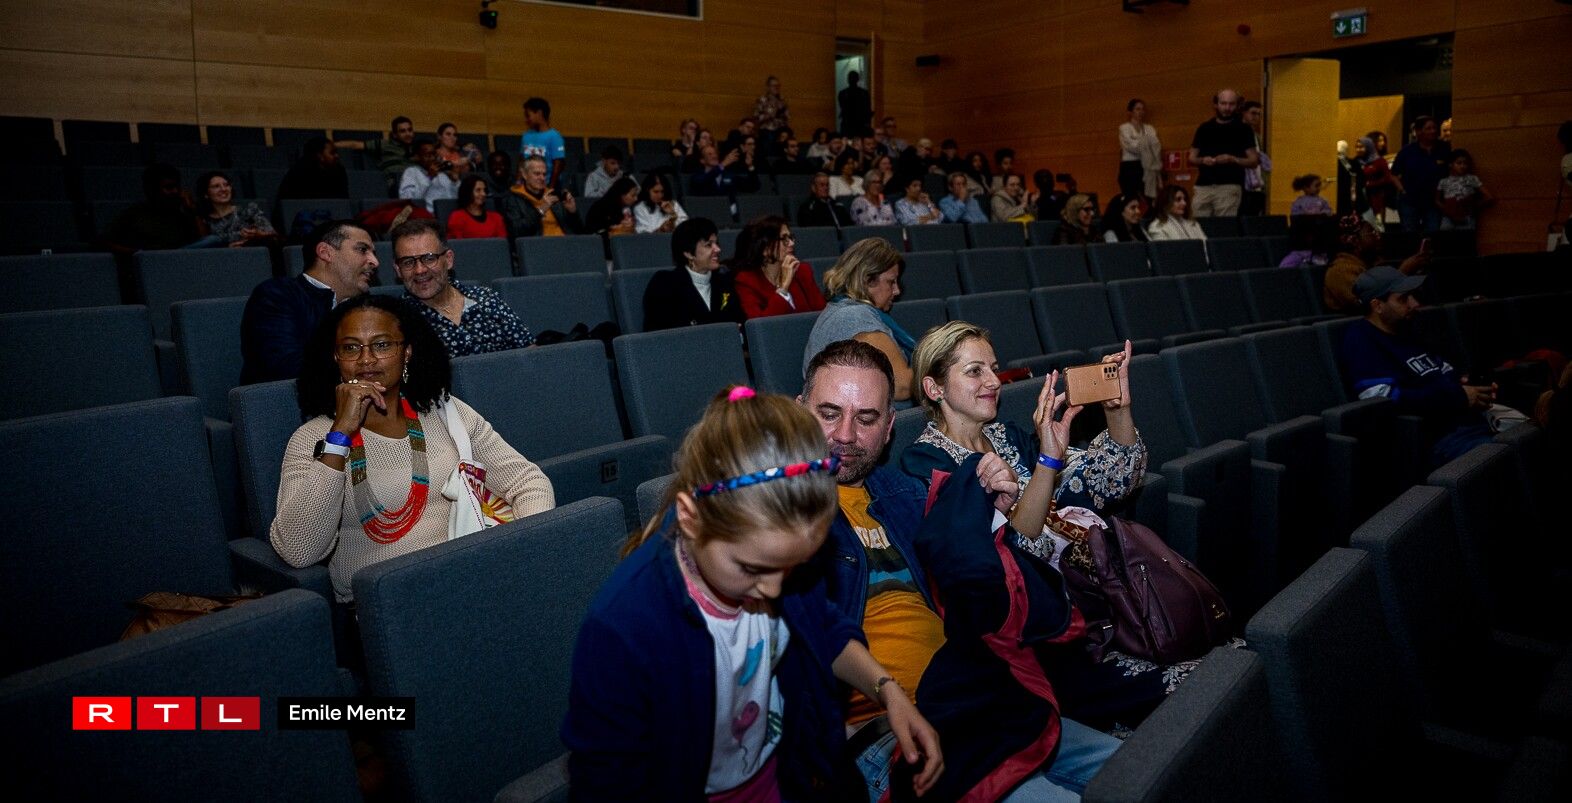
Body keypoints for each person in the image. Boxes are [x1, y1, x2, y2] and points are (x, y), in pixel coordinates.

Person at [563, 387, 942, 800]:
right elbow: (607, 782)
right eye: (751, 568)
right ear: (690, 518)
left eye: (793, 566)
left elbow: (822, 624)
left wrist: (888, 691)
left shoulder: (772, 554)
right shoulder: (625, 627)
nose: (775, 589)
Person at [799, 340, 1124, 800]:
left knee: (1143, 767)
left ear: (889, 427)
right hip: (889, 734)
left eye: (866, 418)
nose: (846, 435)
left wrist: (992, 520)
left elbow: (987, 592)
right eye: (829, 413)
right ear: (799, 411)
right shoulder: (776, 512)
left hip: (977, 699)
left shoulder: (908, 497)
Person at [269, 294, 554, 602]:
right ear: (335, 358)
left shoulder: (446, 414)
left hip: (472, 581)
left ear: (407, 352)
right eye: (351, 348)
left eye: (382, 345)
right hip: (387, 604)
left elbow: (528, 482)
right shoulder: (313, 438)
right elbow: (299, 550)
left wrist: (523, 550)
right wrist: (339, 437)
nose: (366, 360)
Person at [1338, 267, 1499, 465]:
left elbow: (1443, 370)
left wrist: (1470, 387)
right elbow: (1384, 399)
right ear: (1377, 305)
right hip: (1437, 439)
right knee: (1504, 457)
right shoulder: (1361, 341)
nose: (1414, 304)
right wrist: (1458, 396)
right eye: (1403, 299)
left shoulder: (1405, 329)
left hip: (1469, 423)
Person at [240, 220, 376, 385]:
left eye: (373, 252)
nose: (375, 261)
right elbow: (284, 368)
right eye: (362, 249)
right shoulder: (277, 295)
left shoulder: (366, 304)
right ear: (325, 252)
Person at [390, 218, 532, 357]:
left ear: (448, 259)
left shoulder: (486, 299)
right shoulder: (396, 322)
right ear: (398, 270)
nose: (419, 270)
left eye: (429, 258)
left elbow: (531, 353)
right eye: (408, 262)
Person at [802, 239, 912, 400]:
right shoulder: (855, 317)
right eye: (891, 282)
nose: (896, 291)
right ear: (867, 281)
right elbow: (902, 387)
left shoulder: (842, 309)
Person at [643, 217, 744, 331]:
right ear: (688, 253)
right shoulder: (665, 284)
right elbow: (658, 332)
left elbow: (740, 322)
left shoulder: (725, 282)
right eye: (708, 245)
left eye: (716, 243)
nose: (718, 249)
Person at [1322, 215, 1428, 314]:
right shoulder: (1340, 270)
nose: (1378, 236)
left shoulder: (1368, 264)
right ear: (1354, 241)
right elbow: (1371, 304)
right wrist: (1403, 272)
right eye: (1371, 232)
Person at [730, 216, 826, 319]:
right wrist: (783, 288)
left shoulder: (802, 271)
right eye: (784, 239)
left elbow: (822, 314)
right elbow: (760, 325)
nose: (792, 243)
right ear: (765, 248)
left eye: (791, 237)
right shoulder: (747, 281)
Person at [100, 163, 203, 254]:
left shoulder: (180, 215)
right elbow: (104, 242)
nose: (176, 191)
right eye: (169, 188)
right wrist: (138, 254)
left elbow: (202, 245)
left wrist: (192, 210)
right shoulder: (134, 214)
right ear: (152, 189)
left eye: (177, 187)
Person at [1187, 89, 1259, 217]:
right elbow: (1192, 158)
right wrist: (1202, 160)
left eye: (1231, 104)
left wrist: (1233, 159)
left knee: (1224, 225)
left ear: (1237, 106)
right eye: (1223, 103)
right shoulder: (1205, 128)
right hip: (1203, 185)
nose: (1227, 108)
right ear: (1216, 104)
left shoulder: (1243, 129)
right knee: (1199, 224)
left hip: (1229, 185)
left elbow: (1253, 161)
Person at [498, 155, 582, 239]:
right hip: (537, 245)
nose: (542, 178)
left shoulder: (553, 195)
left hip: (565, 243)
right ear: (524, 175)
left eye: (544, 174)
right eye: (537, 174)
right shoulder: (513, 199)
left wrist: (572, 212)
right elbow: (516, 231)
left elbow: (579, 231)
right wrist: (541, 210)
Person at [1391, 115, 1450, 233]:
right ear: (1418, 131)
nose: (1433, 131)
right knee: (1409, 233)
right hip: (1410, 200)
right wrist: (1402, 190)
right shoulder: (1407, 151)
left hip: (1434, 201)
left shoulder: (1444, 149)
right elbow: (1393, 174)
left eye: (1434, 128)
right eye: (1428, 128)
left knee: (1433, 232)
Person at [193, 170, 276, 248]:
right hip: (223, 256)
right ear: (206, 194)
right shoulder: (204, 221)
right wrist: (227, 249)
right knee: (213, 240)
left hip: (252, 251)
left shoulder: (248, 210)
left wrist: (258, 235)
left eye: (226, 185)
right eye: (216, 186)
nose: (223, 189)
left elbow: (273, 235)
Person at [334, 116, 417, 193]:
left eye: (410, 130)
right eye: (403, 131)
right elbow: (355, 145)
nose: (408, 134)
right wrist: (331, 145)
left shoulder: (417, 149)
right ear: (395, 135)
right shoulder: (385, 145)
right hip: (398, 184)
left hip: (416, 183)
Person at [1119, 98, 1164, 202]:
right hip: (1130, 167)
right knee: (1131, 199)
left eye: (1142, 109)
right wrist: (1147, 144)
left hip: (1147, 166)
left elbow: (1156, 148)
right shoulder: (1124, 128)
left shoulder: (1149, 129)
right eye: (1137, 109)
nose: (1141, 112)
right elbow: (1132, 146)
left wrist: (1141, 142)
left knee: (1148, 199)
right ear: (1130, 112)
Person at [398, 138, 459, 214]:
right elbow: (407, 199)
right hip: (425, 216)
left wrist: (455, 182)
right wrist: (429, 177)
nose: (433, 158)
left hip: (447, 215)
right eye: (428, 155)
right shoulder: (411, 172)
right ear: (417, 157)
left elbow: (453, 200)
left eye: (434, 154)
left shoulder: (442, 175)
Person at [277, 137, 350, 201]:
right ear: (319, 155)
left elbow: (343, 201)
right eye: (332, 153)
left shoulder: (339, 171)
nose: (337, 156)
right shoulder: (298, 173)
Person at [1436, 149, 1493, 230]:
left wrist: (1473, 207)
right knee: (1447, 237)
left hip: (1466, 217)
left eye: (1465, 163)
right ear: (1450, 164)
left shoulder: (1471, 179)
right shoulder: (1443, 181)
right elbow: (1437, 200)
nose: (1462, 166)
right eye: (1459, 163)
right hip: (1448, 218)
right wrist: (1447, 209)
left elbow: (1488, 196)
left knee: (1465, 237)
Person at [444, 174, 507, 240]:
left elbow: (502, 243)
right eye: (478, 190)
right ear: (468, 192)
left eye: (484, 190)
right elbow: (456, 244)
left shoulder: (496, 218)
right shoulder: (457, 217)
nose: (483, 194)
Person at [520, 97, 566, 187]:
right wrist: (519, 181)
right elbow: (522, 161)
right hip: (528, 185)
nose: (526, 120)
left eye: (528, 116)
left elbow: (558, 165)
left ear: (539, 113)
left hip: (547, 184)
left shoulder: (554, 136)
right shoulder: (526, 136)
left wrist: (550, 188)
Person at [1359, 132, 1401, 229]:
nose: (1383, 143)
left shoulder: (1383, 160)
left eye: (1383, 141)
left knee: (1379, 224)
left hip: (1380, 195)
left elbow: (1387, 178)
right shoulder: (1364, 159)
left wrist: (1370, 183)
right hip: (1366, 196)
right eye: (1379, 141)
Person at [1239, 100, 1271, 216]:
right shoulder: (1236, 133)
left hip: (1257, 185)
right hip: (1242, 185)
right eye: (1253, 113)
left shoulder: (1257, 137)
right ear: (1244, 113)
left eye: (1259, 114)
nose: (1256, 117)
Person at [689, 144, 758, 197]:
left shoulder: (729, 175)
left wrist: (750, 166)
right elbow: (705, 180)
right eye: (709, 154)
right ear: (702, 160)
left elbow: (753, 186)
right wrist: (723, 164)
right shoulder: (697, 176)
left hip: (729, 210)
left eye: (715, 153)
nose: (714, 156)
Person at [839, 70, 872, 137]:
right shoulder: (843, 93)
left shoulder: (864, 93)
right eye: (850, 78)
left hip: (860, 124)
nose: (852, 80)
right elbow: (843, 107)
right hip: (848, 123)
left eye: (853, 78)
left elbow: (867, 109)